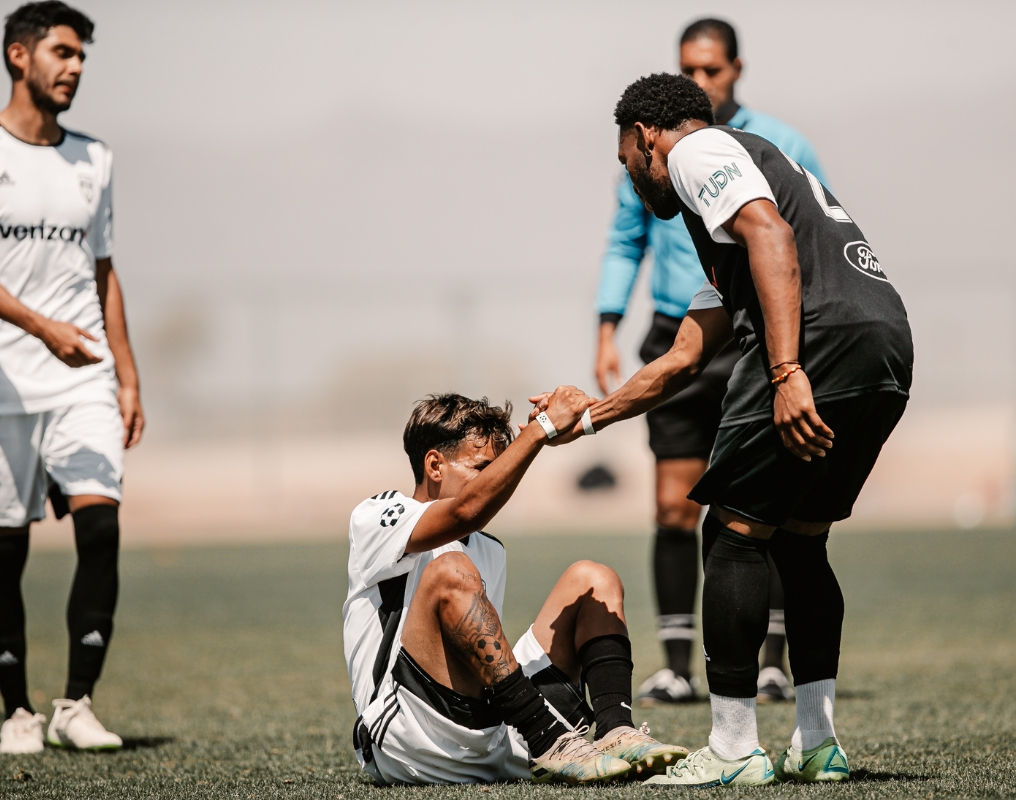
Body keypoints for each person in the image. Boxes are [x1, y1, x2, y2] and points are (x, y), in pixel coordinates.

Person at [535, 73, 912, 785]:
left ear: (645, 137)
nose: (630, 175)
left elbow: (771, 236)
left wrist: (786, 371)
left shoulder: (698, 153)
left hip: (821, 338)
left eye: (624, 160)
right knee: (800, 539)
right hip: (884, 341)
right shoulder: (734, 212)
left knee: (731, 533)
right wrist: (586, 416)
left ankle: (736, 749)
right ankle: (817, 743)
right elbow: (682, 358)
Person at [595, 18, 826, 706]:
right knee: (673, 506)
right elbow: (624, 238)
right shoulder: (653, 155)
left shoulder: (777, 143)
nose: (701, 81)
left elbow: (800, 235)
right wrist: (607, 327)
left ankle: (770, 665)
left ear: (737, 70)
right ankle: (674, 665)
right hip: (683, 328)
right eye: (688, 69)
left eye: (712, 70)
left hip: (755, 332)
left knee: (763, 509)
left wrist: (789, 363)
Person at [343, 392, 687, 785]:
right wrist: (541, 431)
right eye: (482, 468)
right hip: (408, 743)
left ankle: (615, 732)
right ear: (435, 464)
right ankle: (548, 738)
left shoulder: (488, 548)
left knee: (593, 578)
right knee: (451, 571)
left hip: (492, 739)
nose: (495, 479)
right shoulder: (376, 516)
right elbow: (463, 511)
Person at [0, 2, 144, 753]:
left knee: (100, 527)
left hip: (84, 382)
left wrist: (127, 376)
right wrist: (41, 328)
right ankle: (18, 712)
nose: (74, 68)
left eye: (82, 57)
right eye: (62, 53)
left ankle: (77, 703)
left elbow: (104, 274)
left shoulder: (94, 158)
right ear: (19, 55)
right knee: (5, 547)